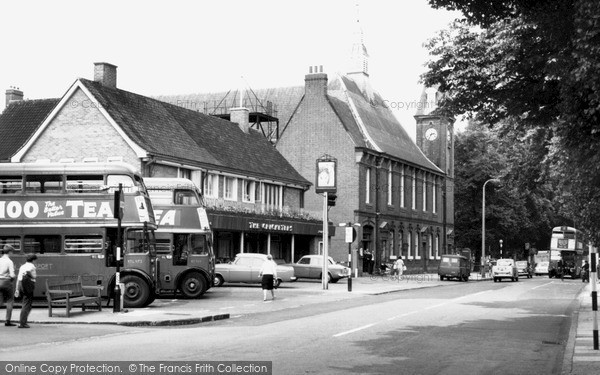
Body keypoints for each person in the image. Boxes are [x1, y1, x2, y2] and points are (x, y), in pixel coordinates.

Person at [15, 254, 37, 328]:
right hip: (28, 286)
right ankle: (22, 323)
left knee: (25, 303)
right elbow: (34, 276)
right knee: (27, 304)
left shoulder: (22, 266)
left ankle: (23, 321)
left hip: (21, 285)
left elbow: (18, 278)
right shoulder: (32, 266)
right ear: (33, 260)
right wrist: (31, 274)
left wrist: (17, 289)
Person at [0, 245, 16, 326]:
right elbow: (12, 275)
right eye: (12, 252)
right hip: (6, 282)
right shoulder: (9, 261)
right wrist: (11, 280)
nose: (12, 254)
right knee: (10, 301)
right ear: (9, 252)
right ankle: (7, 321)